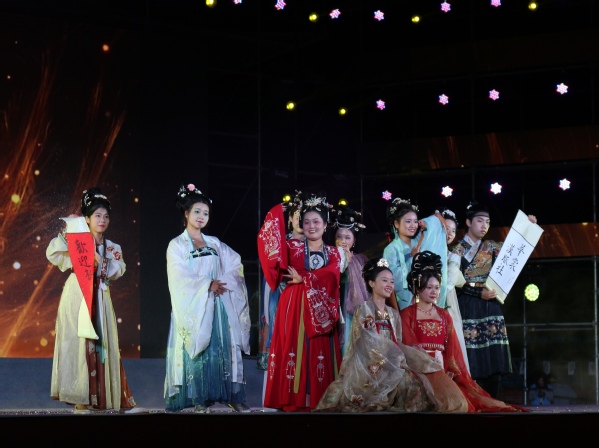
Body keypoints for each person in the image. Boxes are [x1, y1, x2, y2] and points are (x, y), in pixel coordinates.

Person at [314, 257, 467, 413]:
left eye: (392, 282)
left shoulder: (393, 314)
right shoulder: (364, 309)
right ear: (371, 283)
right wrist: (387, 355)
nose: (389, 285)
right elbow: (364, 343)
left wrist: (405, 358)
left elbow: (397, 342)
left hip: (392, 362)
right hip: (370, 362)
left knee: (413, 381)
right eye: (384, 280)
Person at [47, 187, 143, 414]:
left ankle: (107, 399)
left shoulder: (112, 247)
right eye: (97, 215)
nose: (102, 220)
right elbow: (53, 253)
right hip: (78, 294)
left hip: (100, 295)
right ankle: (81, 399)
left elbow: (120, 269)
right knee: (80, 344)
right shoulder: (76, 242)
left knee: (103, 345)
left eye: (106, 216)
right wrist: (69, 231)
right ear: (87, 219)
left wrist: (101, 261)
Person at [400, 250, 527, 412]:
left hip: (442, 370)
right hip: (418, 372)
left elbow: (452, 348)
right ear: (417, 288)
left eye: (437, 287)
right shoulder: (407, 314)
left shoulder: (444, 315)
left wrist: (451, 370)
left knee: (459, 405)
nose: (434, 292)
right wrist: (426, 366)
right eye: (429, 287)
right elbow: (408, 345)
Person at [164, 183, 252, 413]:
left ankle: (232, 395)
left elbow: (235, 264)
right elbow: (179, 276)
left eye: (205, 213)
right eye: (197, 211)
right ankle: (199, 398)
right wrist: (206, 285)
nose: (201, 216)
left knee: (223, 349)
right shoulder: (177, 245)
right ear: (186, 213)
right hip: (195, 307)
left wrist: (223, 282)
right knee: (200, 349)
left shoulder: (214, 243)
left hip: (219, 305)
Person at [258, 192, 346, 412]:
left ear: (325, 225)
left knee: (318, 350)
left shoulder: (334, 252)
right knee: (294, 348)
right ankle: (293, 399)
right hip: (294, 304)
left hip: (320, 306)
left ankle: (320, 398)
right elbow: (270, 251)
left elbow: (333, 275)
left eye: (316, 222)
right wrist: (276, 214)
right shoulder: (291, 247)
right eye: (306, 222)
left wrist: (304, 279)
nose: (311, 226)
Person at [450, 201, 538, 398]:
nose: (484, 226)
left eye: (487, 222)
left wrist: (528, 227)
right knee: (472, 354)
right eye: (480, 221)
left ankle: (494, 401)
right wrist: (477, 293)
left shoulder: (491, 246)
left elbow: (516, 251)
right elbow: (452, 283)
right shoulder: (456, 250)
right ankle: (473, 400)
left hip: (490, 305)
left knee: (493, 355)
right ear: (468, 222)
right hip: (468, 304)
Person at [257, 191, 304, 371]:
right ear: (290, 219)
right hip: (281, 291)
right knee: (276, 322)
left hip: (302, 293)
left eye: (304, 217)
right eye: (297, 216)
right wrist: (275, 212)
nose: (300, 221)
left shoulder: (314, 246)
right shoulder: (281, 242)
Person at [383, 197, 448, 311]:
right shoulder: (391, 249)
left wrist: (428, 223)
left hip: (426, 299)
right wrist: (412, 259)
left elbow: (436, 222)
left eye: (415, 221)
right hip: (406, 301)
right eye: (408, 221)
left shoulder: (419, 242)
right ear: (396, 224)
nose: (413, 225)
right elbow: (393, 279)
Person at [332, 204, 369, 356]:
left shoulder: (361, 260)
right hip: (336, 305)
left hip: (353, 309)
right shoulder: (329, 257)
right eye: (339, 237)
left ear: (354, 240)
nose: (343, 241)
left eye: (347, 237)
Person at [438, 207, 469, 372]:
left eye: (453, 231)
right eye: (446, 229)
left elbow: (454, 283)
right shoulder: (426, 253)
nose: (450, 234)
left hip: (448, 302)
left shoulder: (453, 257)